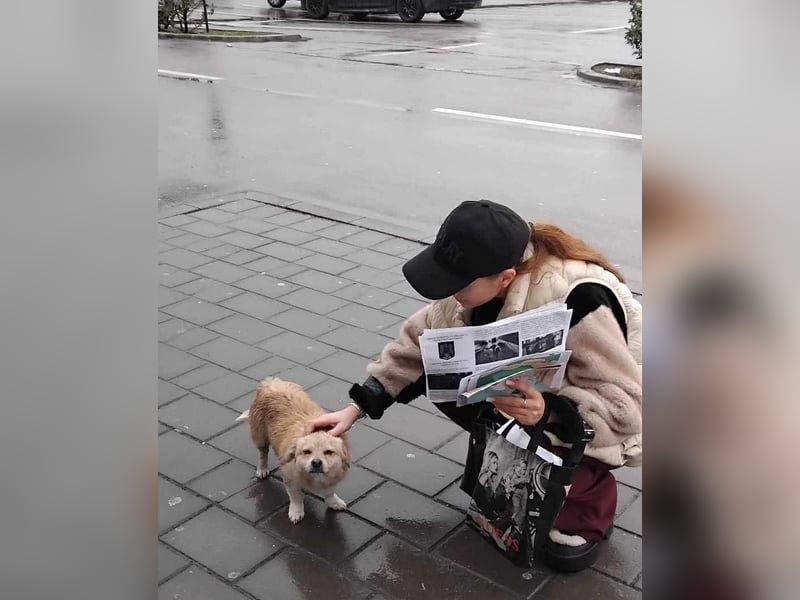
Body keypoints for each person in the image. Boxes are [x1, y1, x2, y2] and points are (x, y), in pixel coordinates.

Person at [308, 199, 642, 572]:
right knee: (440, 371)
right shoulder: (468, 291)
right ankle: (513, 455)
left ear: (506, 278)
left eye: (459, 284)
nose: (449, 292)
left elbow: (625, 405)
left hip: (599, 413)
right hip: (524, 397)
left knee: (562, 556)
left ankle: (591, 500)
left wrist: (549, 413)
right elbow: (416, 346)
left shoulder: (581, 300)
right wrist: (358, 407)